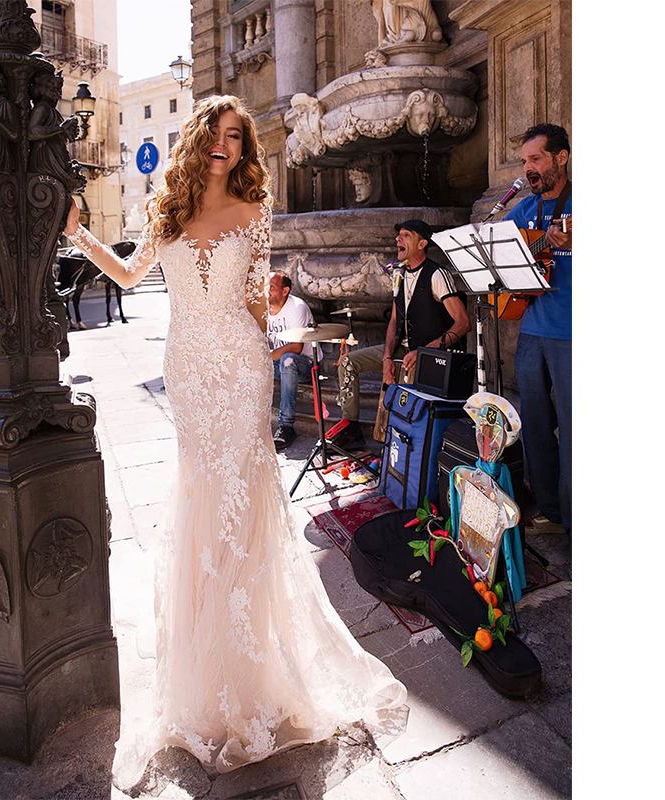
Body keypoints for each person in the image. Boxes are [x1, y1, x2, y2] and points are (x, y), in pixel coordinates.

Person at [63, 95, 408, 790]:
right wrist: (79, 235)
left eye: (238, 138)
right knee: (201, 505)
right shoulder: (166, 212)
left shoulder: (254, 215)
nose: (227, 146)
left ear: (246, 151)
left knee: (244, 507)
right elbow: (131, 275)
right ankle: (203, 677)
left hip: (242, 369)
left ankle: (256, 675)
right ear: (200, 140)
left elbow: (257, 302)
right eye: (218, 134)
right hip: (188, 371)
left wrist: (286, 337)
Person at [333, 219, 471, 449]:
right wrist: (387, 357)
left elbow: (463, 323)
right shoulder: (399, 274)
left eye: (406, 235)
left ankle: (411, 447)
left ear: (422, 243)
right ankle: (351, 427)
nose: (398, 238)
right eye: (399, 235)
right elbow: (395, 320)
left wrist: (427, 350)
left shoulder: (437, 275)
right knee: (347, 362)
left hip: (429, 355)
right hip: (402, 349)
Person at [503, 123, 572, 535]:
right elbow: (496, 246)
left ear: (561, 158)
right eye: (525, 161)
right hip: (531, 331)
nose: (528, 168)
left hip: (574, 333)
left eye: (536, 159)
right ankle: (549, 509)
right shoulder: (525, 210)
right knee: (535, 424)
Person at [267, 271, 319, 450]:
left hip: (305, 365)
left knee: (288, 360)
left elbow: (296, 347)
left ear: (285, 290)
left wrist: (267, 356)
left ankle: (286, 426)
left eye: (271, 287)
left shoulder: (297, 306)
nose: (267, 291)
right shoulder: (264, 308)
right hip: (277, 362)